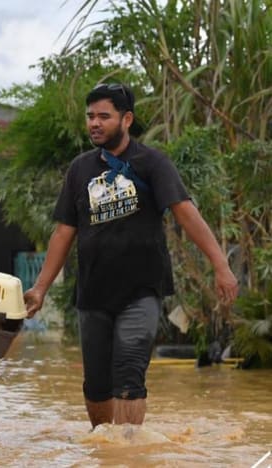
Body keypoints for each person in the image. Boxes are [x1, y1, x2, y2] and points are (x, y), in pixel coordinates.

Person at [23, 83, 240, 429]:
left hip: (141, 291)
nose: (94, 123)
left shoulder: (152, 163)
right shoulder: (80, 170)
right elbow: (64, 232)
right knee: (96, 388)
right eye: (90, 116)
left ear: (126, 119)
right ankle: (106, 454)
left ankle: (128, 455)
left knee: (128, 376)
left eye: (103, 117)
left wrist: (221, 266)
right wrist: (40, 288)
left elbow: (186, 213)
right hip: (93, 294)